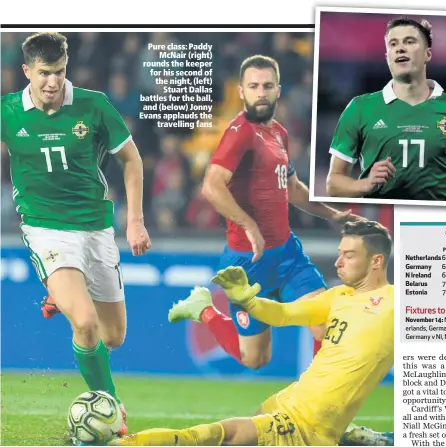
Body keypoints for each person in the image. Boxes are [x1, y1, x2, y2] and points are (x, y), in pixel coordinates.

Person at [112, 220, 395, 446]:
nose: (338, 263)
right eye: (339, 254)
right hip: (288, 401)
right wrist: (249, 301)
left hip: (306, 430)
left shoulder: (398, 304)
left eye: (349, 255)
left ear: (376, 261)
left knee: (211, 436)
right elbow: (283, 314)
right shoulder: (339, 295)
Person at [1, 32, 151, 436]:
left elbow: (132, 160)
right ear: (27, 71)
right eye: (45, 73)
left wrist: (134, 220)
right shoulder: (7, 112)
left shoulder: (94, 105)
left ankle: (61, 292)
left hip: (96, 228)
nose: (53, 82)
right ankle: (113, 415)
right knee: (84, 322)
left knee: (112, 336)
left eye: (60, 72)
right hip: (46, 229)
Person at [168, 54, 354, 369]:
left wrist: (332, 214)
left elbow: (293, 188)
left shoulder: (279, 133)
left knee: (325, 324)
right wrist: (249, 224)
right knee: (255, 358)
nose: (261, 92)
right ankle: (204, 309)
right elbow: (212, 186)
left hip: (287, 255)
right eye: (253, 86)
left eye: (267, 85)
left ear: (278, 89)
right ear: (241, 92)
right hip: (247, 264)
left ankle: (324, 414)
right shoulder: (239, 132)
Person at [326, 17, 446, 202]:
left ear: (428, 54)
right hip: (382, 223)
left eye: (410, 41)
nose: (400, 48)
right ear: (387, 55)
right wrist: (365, 184)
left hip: (435, 223)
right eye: (393, 43)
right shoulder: (359, 108)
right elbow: (333, 183)